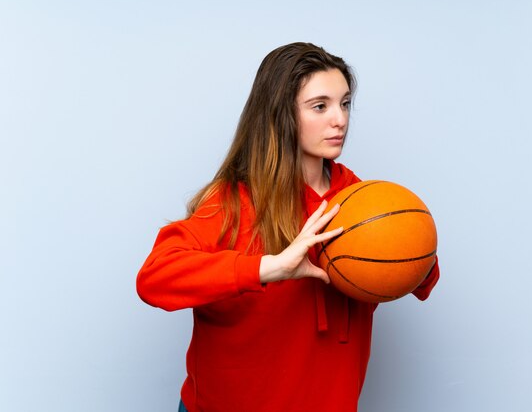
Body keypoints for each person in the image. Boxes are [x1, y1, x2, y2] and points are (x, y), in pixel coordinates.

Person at [136, 42, 440, 412]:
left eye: (345, 103)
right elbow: (153, 279)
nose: (340, 119)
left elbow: (423, 276)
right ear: (281, 114)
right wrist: (272, 267)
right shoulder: (234, 201)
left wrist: (408, 241)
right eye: (320, 106)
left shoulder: (362, 202)